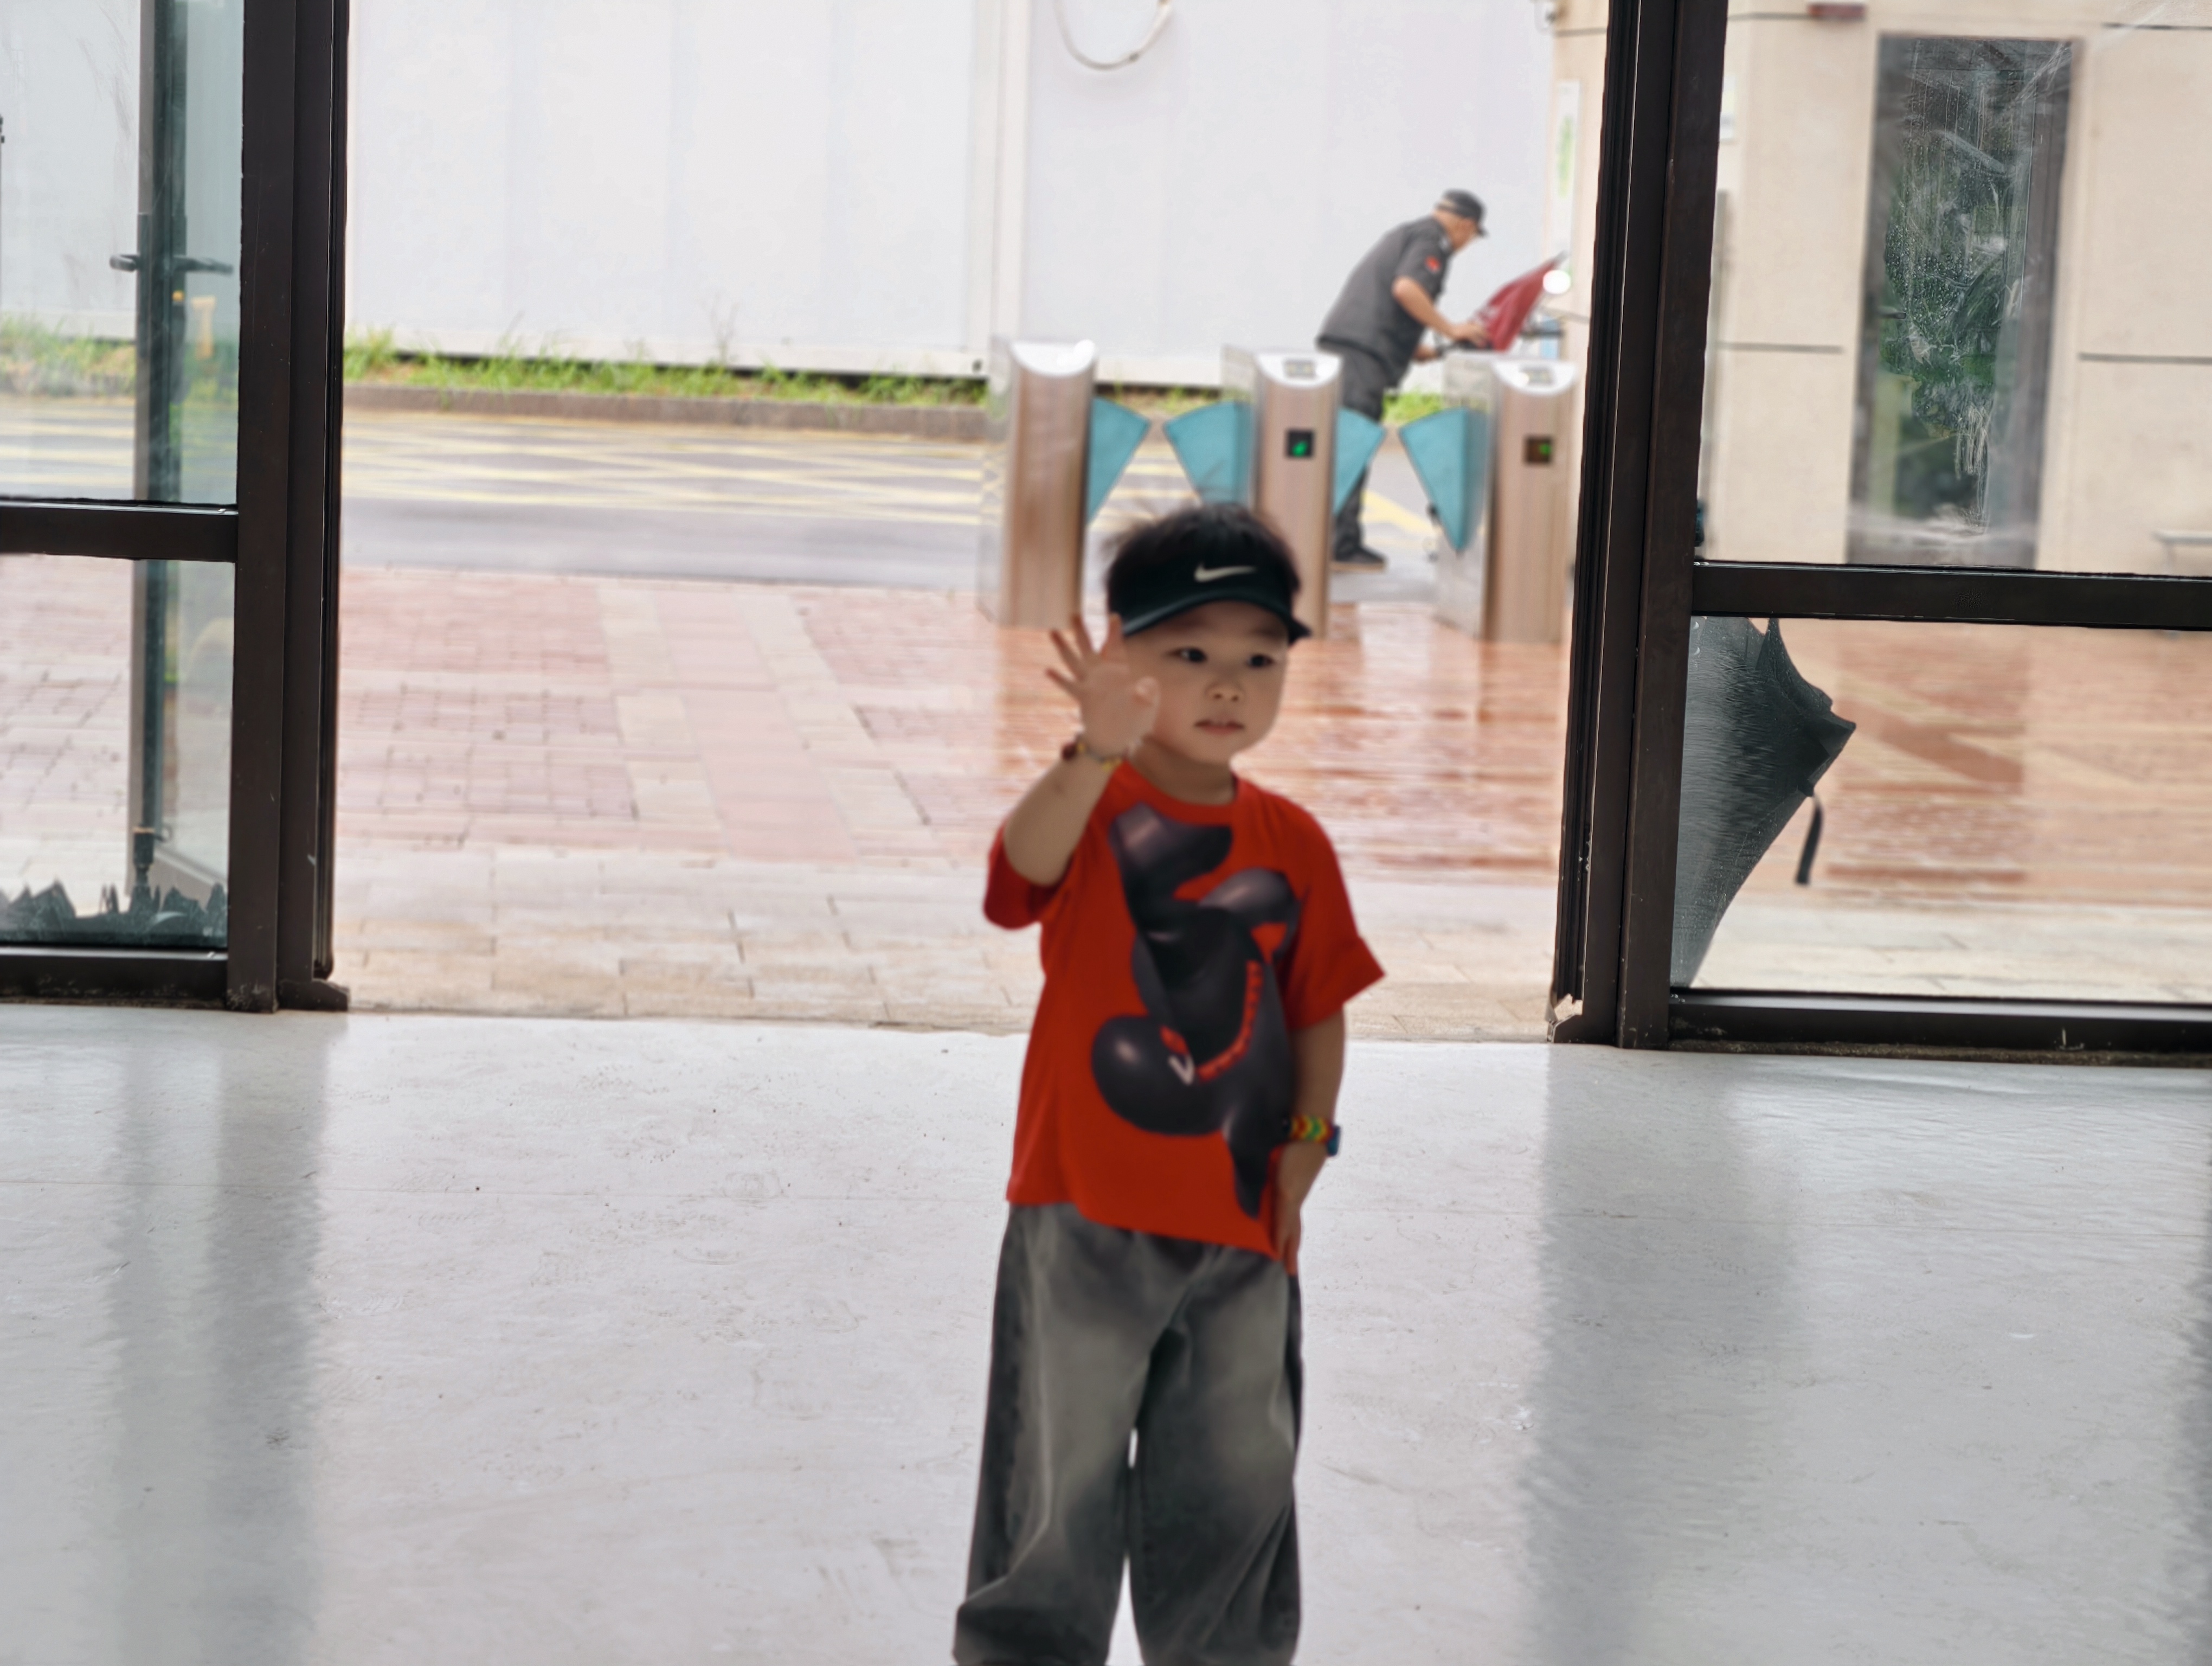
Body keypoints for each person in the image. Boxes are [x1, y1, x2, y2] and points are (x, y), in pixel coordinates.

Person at [953, 503, 1385, 1666]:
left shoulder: (1294, 842)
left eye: (1260, 658)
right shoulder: (1091, 806)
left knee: (1237, 1478)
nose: (1227, 684)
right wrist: (1091, 752)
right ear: (1119, 654)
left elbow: (1318, 1006)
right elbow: (1014, 881)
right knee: (1058, 1477)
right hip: (1083, 1208)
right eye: (1188, 652)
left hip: (1243, 1222)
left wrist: (1308, 1140)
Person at [1317, 188, 1491, 571]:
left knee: (1345, 443)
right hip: (1363, 356)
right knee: (1352, 445)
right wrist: (1451, 329)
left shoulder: (1409, 232)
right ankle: (1340, 546)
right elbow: (1406, 288)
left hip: (1351, 348)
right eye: (1473, 236)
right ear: (1466, 226)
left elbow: (1388, 302)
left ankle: (1332, 541)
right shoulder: (1433, 241)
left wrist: (1420, 349)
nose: (1467, 244)